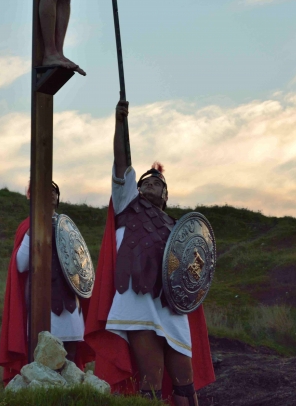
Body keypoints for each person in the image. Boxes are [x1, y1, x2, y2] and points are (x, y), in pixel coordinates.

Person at [85, 101, 215, 403]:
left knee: (185, 384)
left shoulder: (177, 228)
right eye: (147, 182)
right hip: (137, 299)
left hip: (170, 305)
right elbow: (121, 162)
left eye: (159, 183)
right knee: (151, 381)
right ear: (138, 188)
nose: (152, 184)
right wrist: (121, 125)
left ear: (166, 195)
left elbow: (194, 271)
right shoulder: (127, 203)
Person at [0, 180, 92, 385]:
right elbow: (21, 265)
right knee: (43, 366)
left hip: (70, 305)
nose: (50, 193)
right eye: (45, 190)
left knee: (72, 365)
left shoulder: (68, 227)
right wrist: (34, 227)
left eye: (54, 191)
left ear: (58, 199)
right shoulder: (27, 227)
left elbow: (81, 265)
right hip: (42, 307)